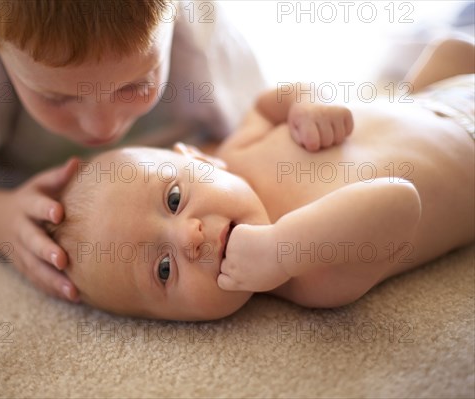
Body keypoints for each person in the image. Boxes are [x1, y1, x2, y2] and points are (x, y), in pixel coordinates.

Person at [48, 38, 474, 321]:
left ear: (198, 158)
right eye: (163, 269)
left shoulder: (236, 151)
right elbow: (399, 201)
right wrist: (281, 251)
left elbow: (272, 103)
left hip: (428, 99)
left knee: (450, 48)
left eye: (174, 199)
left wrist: (308, 102)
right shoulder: (310, 276)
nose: (189, 236)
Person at [0, 1, 265, 301]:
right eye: (57, 97)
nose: (103, 127)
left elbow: (252, 127)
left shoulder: (202, 36)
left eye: (134, 85)